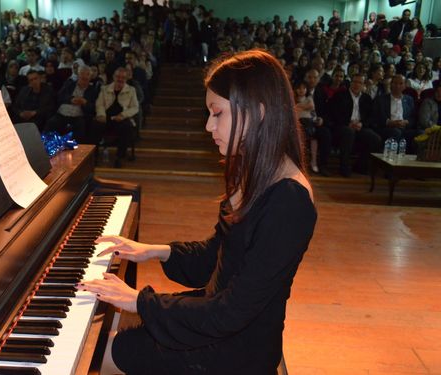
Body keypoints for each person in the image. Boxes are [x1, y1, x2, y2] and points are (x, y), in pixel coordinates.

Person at [78, 50, 317, 374]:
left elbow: (230, 312)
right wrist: (155, 252)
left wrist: (138, 300)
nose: (208, 125)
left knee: (97, 353)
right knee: (113, 331)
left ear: (258, 113)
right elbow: (217, 256)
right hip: (220, 323)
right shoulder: (251, 168)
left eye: (217, 114)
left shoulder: (289, 201)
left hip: (238, 349)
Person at [328, 73, 381, 176]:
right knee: (349, 132)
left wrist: (361, 124)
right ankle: (344, 167)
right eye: (355, 82)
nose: (357, 85)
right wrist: (348, 123)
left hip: (360, 126)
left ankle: (360, 166)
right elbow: (334, 114)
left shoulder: (366, 98)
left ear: (363, 85)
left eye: (360, 83)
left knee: (375, 139)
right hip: (342, 126)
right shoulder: (340, 95)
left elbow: (371, 116)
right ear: (350, 83)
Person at [93, 67, 139, 168]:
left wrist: (123, 115)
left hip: (121, 118)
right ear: (114, 77)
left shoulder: (131, 90)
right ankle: (94, 155)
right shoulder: (105, 89)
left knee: (127, 128)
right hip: (106, 118)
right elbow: (99, 104)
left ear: (126, 79)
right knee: (95, 125)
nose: (120, 79)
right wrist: (101, 115)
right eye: (118, 76)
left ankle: (119, 157)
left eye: (123, 77)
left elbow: (135, 108)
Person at [44, 66, 99, 144]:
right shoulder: (69, 84)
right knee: (51, 123)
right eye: (82, 75)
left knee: (80, 127)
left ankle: (78, 152)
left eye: (87, 75)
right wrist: (71, 99)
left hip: (78, 116)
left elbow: (93, 107)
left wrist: (85, 102)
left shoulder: (93, 90)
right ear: (78, 76)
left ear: (90, 78)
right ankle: (46, 146)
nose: (84, 77)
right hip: (62, 113)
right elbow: (59, 96)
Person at [294, 81, 321, 174]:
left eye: (304, 88)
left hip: (309, 122)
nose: (301, 90)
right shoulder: (292, 98)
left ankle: (313, 161)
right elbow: (293, 110)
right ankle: (299, 163)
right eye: (299, 88)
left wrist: (298, 106)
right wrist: (302, 107)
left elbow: (311, 106)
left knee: (314, 137)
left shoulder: (309, 98)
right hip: (297, 123)